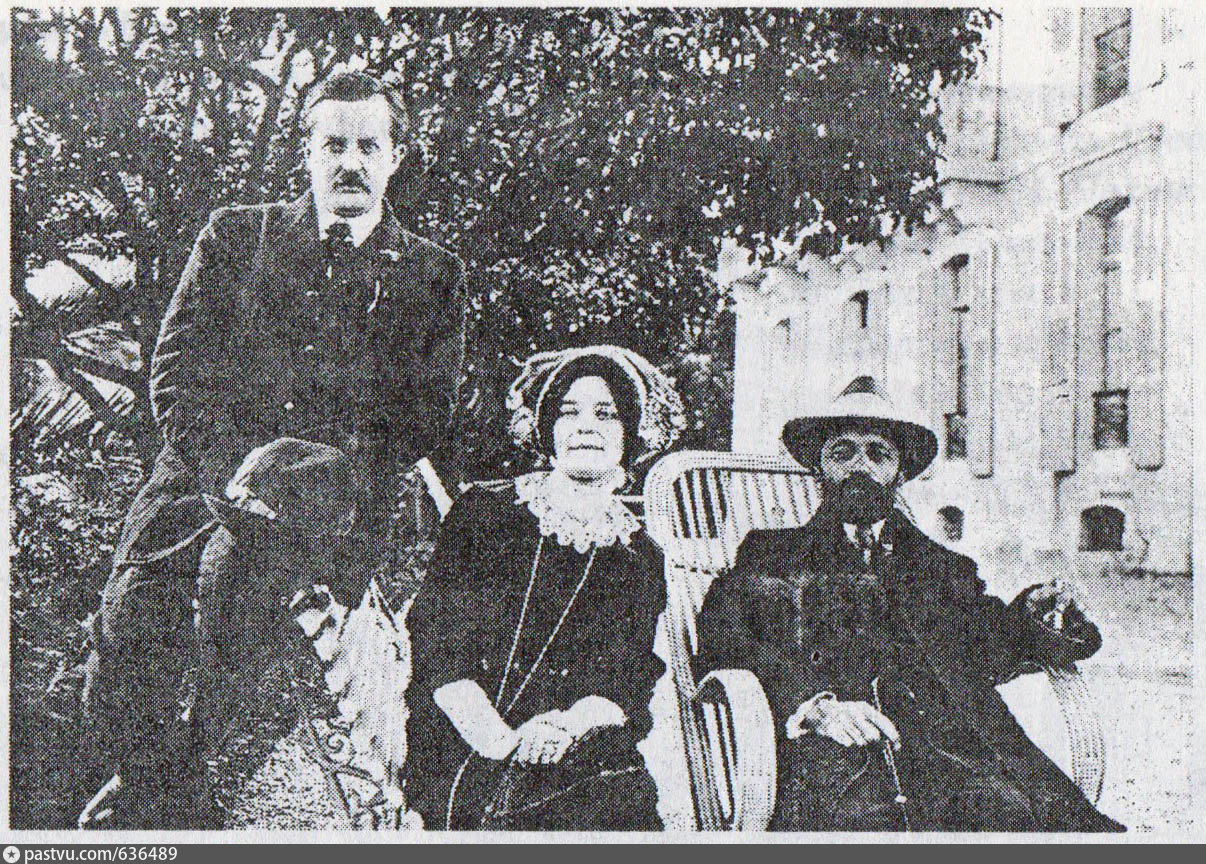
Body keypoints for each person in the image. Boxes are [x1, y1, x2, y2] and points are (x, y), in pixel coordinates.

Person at [79, 70, 467, 829]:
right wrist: (234, 471)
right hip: (199, 486)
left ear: (396, 157)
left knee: (239, 643)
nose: (349, 163)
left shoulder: (432, 274)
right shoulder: (235, 237)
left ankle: (188, 791)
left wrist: (320, 474)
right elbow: (176, 371)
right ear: (306, 153)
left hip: (327, 510)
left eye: (368, 146)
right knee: (126, 638)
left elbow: (425, 412)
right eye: (333, 145)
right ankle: (137, 797)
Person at [694, 375, 1124, 832]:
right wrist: (816, 706)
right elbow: (725, 638)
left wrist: (1038, 613)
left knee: (1034, 818)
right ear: (819, 467)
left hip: (960, 762)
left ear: (899, 474)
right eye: (842, 453)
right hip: (840, 769)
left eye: (878, 454)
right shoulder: (772, 554)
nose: (859, 467)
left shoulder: (940, 564)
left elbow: (988, 644)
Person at [404, 346, 685, 830]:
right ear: (547, 429)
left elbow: (626, 680)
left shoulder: (639, 554)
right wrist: (505, 741)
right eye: (568, 412)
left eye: (606, 414)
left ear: (630, 433)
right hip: (471, 739)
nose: (586, 427)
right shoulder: (486, 515)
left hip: (581, 750)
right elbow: (438, 646)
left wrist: (565, 727)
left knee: (618, 803)